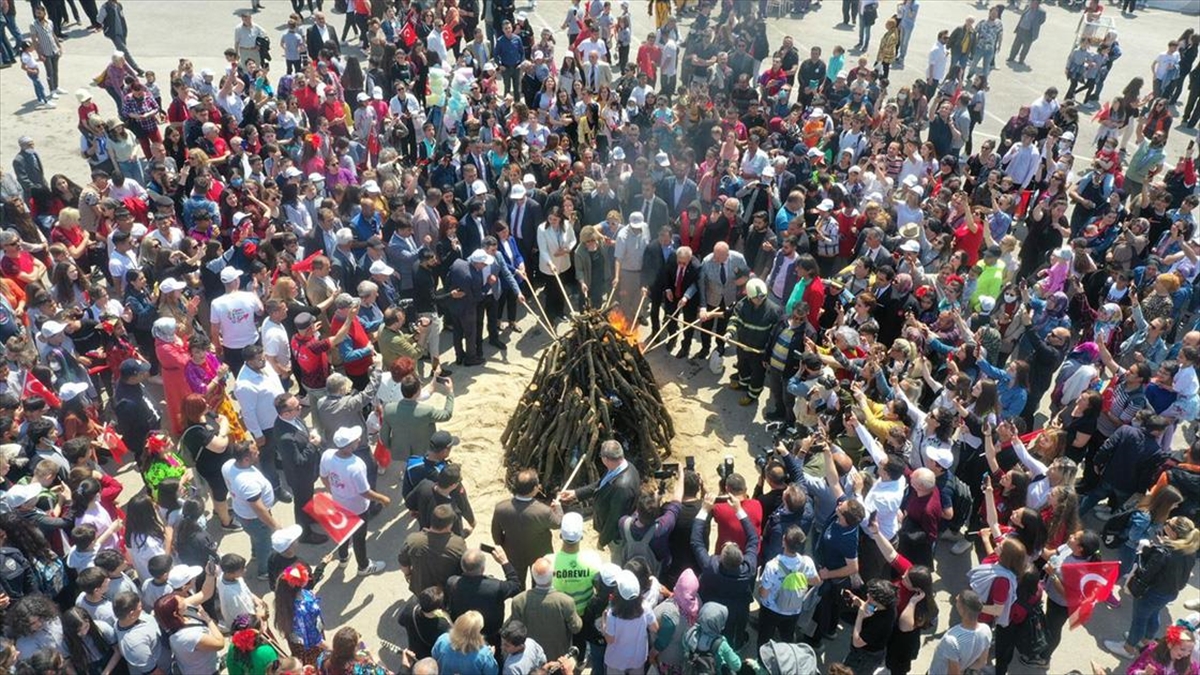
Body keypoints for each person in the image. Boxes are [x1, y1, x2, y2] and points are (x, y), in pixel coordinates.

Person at [1104, 516, 1200, 658]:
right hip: (1169, 593)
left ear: (1174, 533)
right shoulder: (1189, 551)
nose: (1165, 522)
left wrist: (1147, 550)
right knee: (1153, 615)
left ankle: (1128, 648)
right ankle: (1146, 640)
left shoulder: (1164, 551)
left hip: (1153, 592)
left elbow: (1146, 573)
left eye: (1169, 523)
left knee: (1139, 620)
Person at [319, 426, 388, 576]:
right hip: (357, 507)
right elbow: (364, 492)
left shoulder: (327, 455)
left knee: (343, 531)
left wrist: (332, 491)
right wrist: (382, 498)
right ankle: (363, 566)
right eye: (355, 439)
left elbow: (323, 476)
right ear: (350, 446)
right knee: (359, 537)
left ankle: (343, 557)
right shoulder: (356, 465)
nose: (358, 440)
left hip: (338, 502)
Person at [558, 440, 641, 556]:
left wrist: (602, 541)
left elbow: (614, 519)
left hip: (617, 536)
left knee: (617, 561)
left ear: (606, 459)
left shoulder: (622, 487)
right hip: (611, 526)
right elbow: (601, 484)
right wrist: (576, 493)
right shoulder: (620, 467)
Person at [272, 394, 328, 545]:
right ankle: (305, 534)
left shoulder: (294, 418)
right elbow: (298, 461)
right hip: (300, 477)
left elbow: (302, 432)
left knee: (308, 499)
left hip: (308, 473)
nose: (301, 407)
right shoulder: (286, 437)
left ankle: (310, 516)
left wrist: (310, 436)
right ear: (286, 413)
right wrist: (313, 444)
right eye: (297, 407)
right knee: (301, 502)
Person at [490, 468, 563, 584]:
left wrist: (503, 547)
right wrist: (558, 508)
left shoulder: (501, 508)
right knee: (540, 584)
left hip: (513, 554)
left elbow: (496, 533)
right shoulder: (543, 511)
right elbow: (558, 523)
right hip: (539, 555)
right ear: (535, 488)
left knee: (517, 585)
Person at [221, 440, 280, 581]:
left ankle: (255, 554)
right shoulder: (248, 483)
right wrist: (275, 525)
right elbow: (259, 509)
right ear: (246, 459)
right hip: (255, 518)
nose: (258, 452)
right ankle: (265, 571)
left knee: (256, 537)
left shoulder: (228, 465)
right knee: (265, 543)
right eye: (255, 453)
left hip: (241, 512)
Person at [446, 547, 522, 652]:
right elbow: (516, 586)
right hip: (491, 637)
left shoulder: (452, 583)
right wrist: (505, 562)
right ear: (482, 569)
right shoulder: (496, 587)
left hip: (461, 637)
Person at [509, 555, 582, 662]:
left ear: (533, 576)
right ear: (553, 575)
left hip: (531, 659)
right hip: (558, 659)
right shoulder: (566, 601)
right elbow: (576, 628)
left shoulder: (518, 601)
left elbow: (515, 631)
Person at [380, 376, 455, 468]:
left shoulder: (389, 409)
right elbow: (446, 414)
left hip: (401, 450)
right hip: (423, 450)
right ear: (418, 392)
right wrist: (450, 393)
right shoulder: (426, 411)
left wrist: (392, 447)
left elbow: (383, 436)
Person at [397, 504, 469, 595]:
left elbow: (403, 563)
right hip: (445, 592)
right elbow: (465, 569)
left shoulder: (412, 540)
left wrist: (408, 575)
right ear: (450, 525)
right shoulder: (458, 544)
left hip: (421, 589)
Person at [928, 590, 993, 674]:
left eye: (957, 602)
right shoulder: (986, 630)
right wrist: (964, 667)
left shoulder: (951, 640)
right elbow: (982, 663)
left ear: (962, 610)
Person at [431, 610, 499, 675]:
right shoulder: (484, 654)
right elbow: (492, 672)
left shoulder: (443, 640)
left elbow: (434, 658)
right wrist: (491, 656)